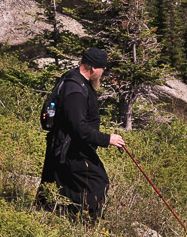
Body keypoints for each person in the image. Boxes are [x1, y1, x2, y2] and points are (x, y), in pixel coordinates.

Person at [39, 47, 125, 220]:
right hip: (69, 149)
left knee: (57, 182)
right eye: (102, 69)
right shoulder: (75, 90)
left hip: (64, 145)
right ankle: (89, 224)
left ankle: (52, 214)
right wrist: (107, 139)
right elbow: (78, 128)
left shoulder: (73, 79)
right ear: (94, 68)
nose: (103, 73)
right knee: (98, 182)